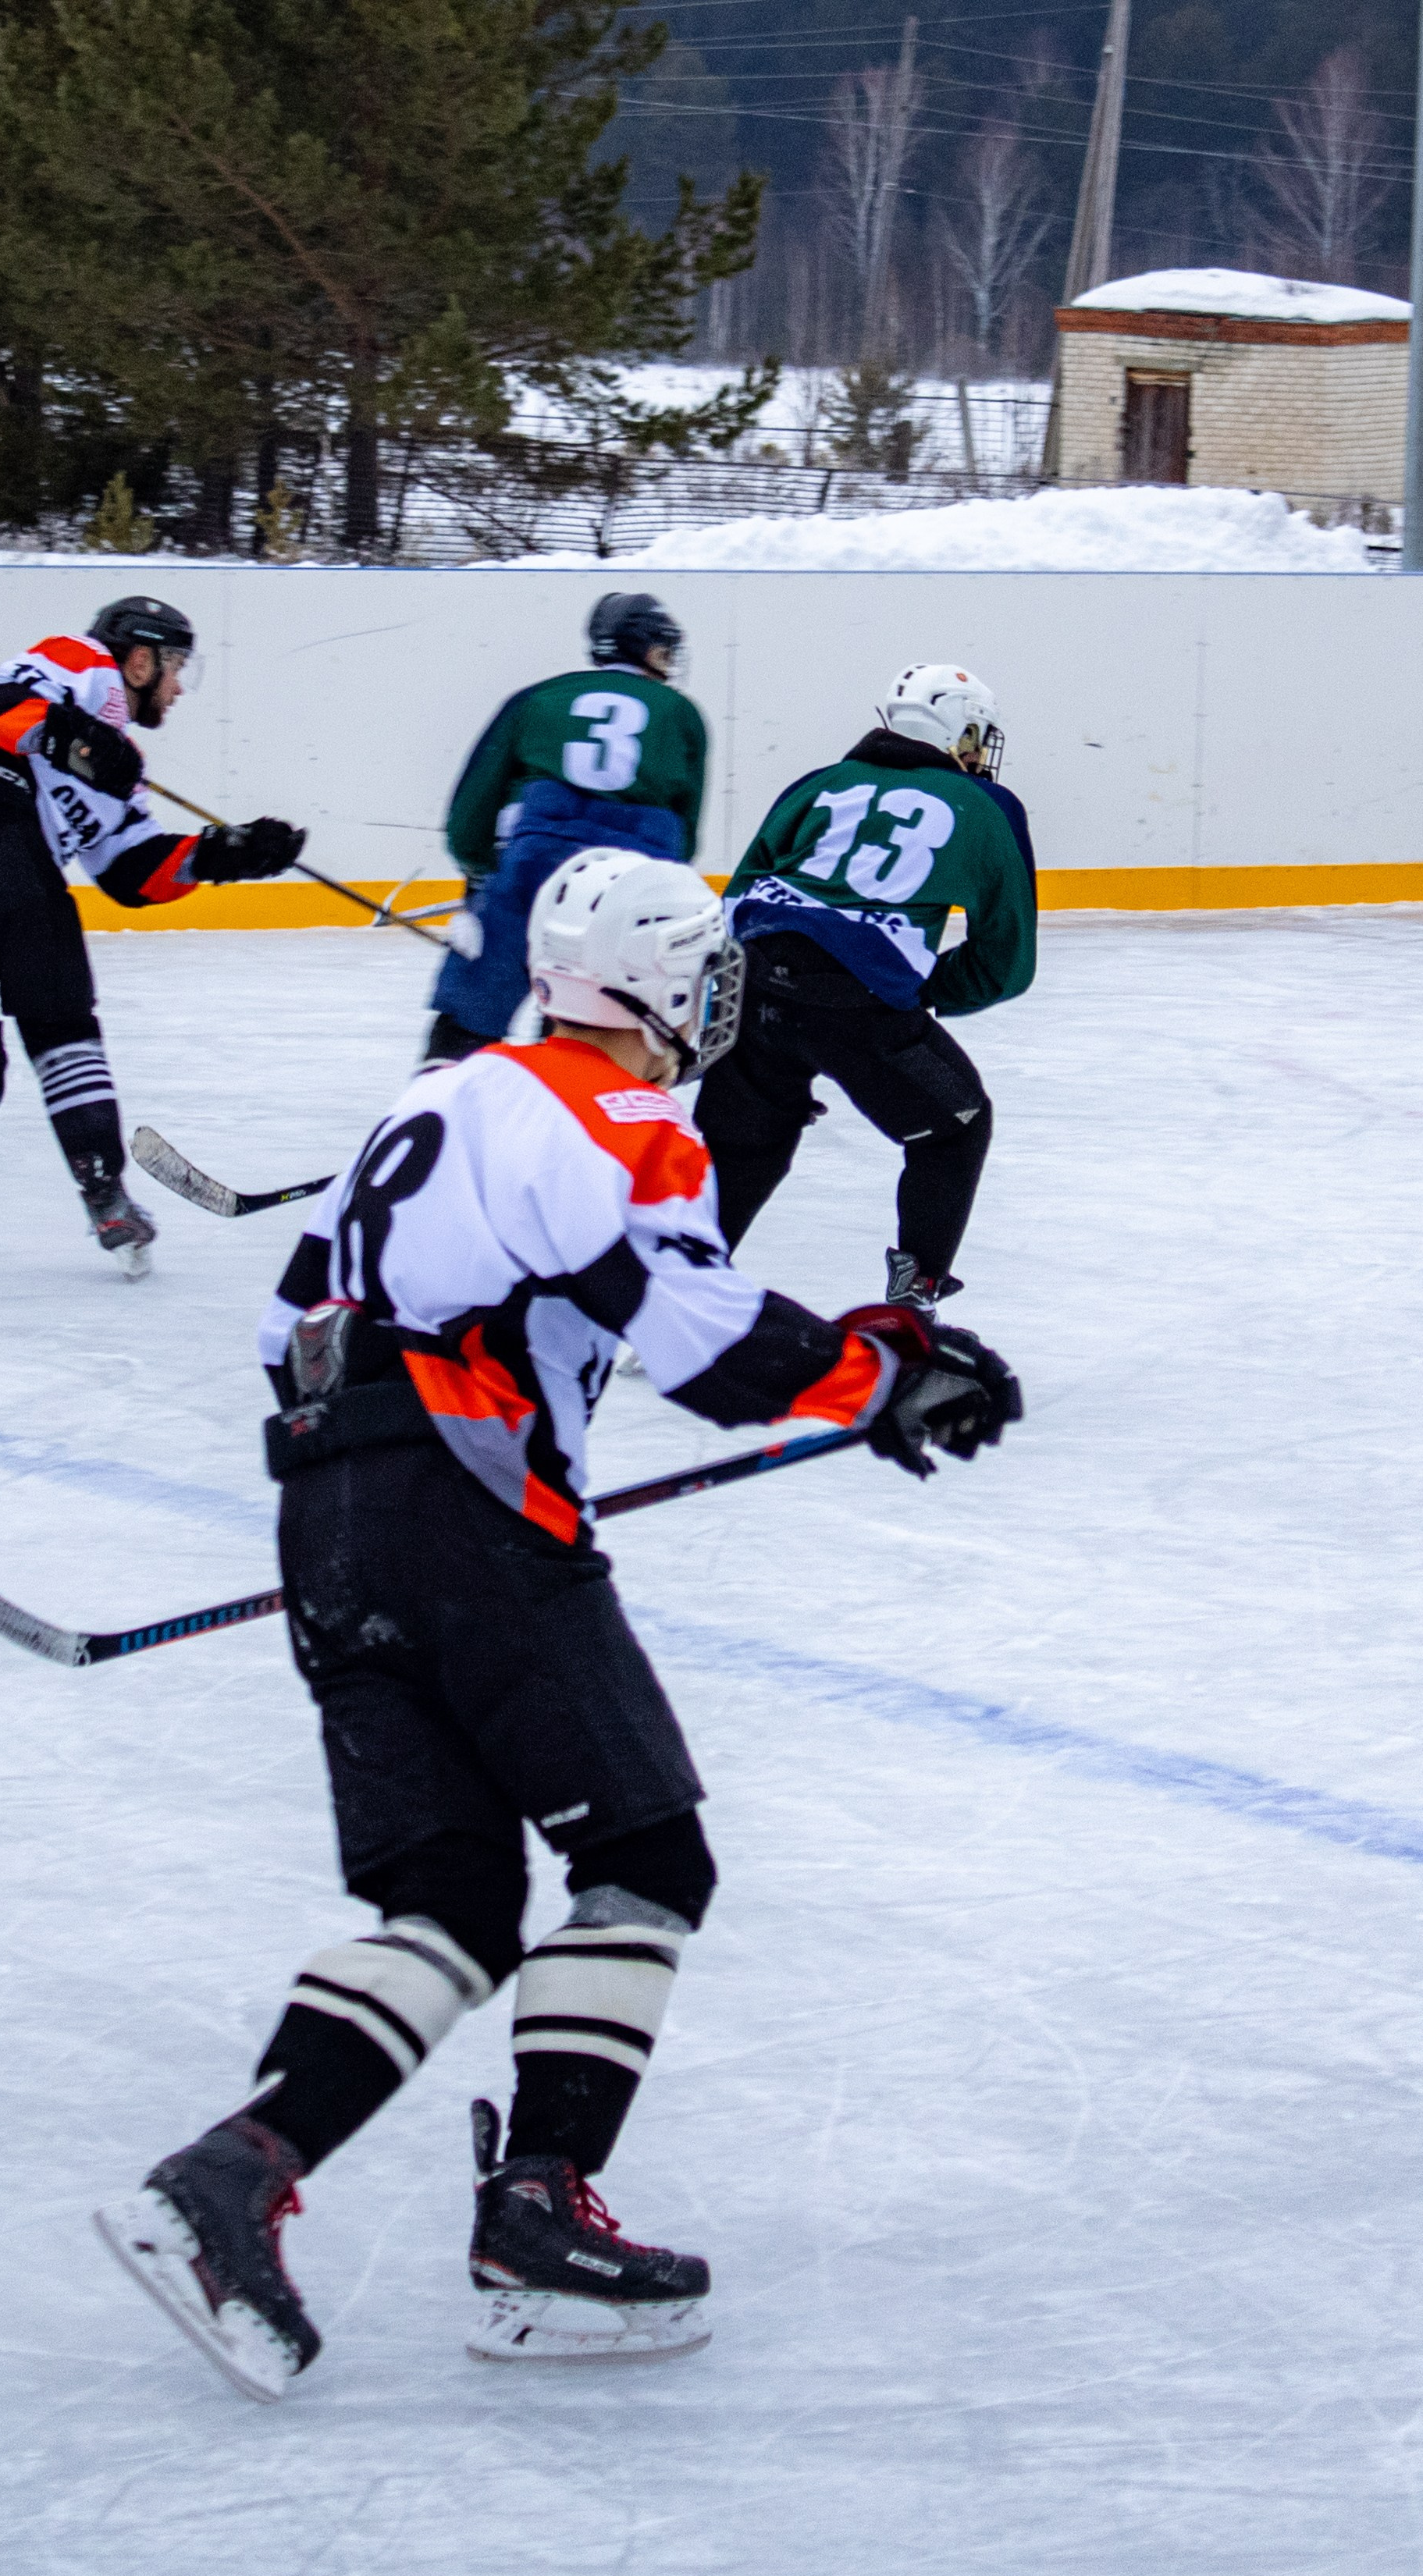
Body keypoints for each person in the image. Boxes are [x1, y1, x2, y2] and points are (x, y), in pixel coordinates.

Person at [96, 847, 1021, 2401]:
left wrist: (379, 1489)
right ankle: (535, 2213)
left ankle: (226, 2179)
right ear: (663, 982)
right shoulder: (628, 1120)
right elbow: (706, 1346)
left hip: (325, 1507)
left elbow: (291, 1331)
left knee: (454, 1901)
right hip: (470, 1519)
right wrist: (889, 1376)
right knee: (647, 1857)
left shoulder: (438, 1094)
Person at [0, 595, 304, 1288]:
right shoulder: (87, 665)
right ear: (139, 658)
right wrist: (78, 742)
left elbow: (134, 873)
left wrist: (229, 853)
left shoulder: (120, 774)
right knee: (61, 1026)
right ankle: (106, 1197)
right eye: (175, 666)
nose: (179, 687)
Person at [695, 663, 1037, 1312]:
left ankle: (676, 1290)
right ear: (957, 731)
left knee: (744, 1143)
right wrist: (921, 985)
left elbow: (736, 904)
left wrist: (741, 1024)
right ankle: (914, 1300)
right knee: (956, 1126)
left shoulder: (815, 786)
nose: (976, 753)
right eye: (974, 737)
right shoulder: (986, 806)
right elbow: (1004, 963)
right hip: (862, 1010)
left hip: (755, 988)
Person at [424, 591, 709, 1059]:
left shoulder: (537, 698)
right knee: (591, 1031)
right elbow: (687, 830)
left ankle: (439, 1108)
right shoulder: (683, 714)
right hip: (630, 882)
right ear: (638, 645)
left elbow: (472, 809)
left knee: (468, 1018)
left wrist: (481, 876)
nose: (670, 659)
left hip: (536, 868)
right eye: (663, 646)